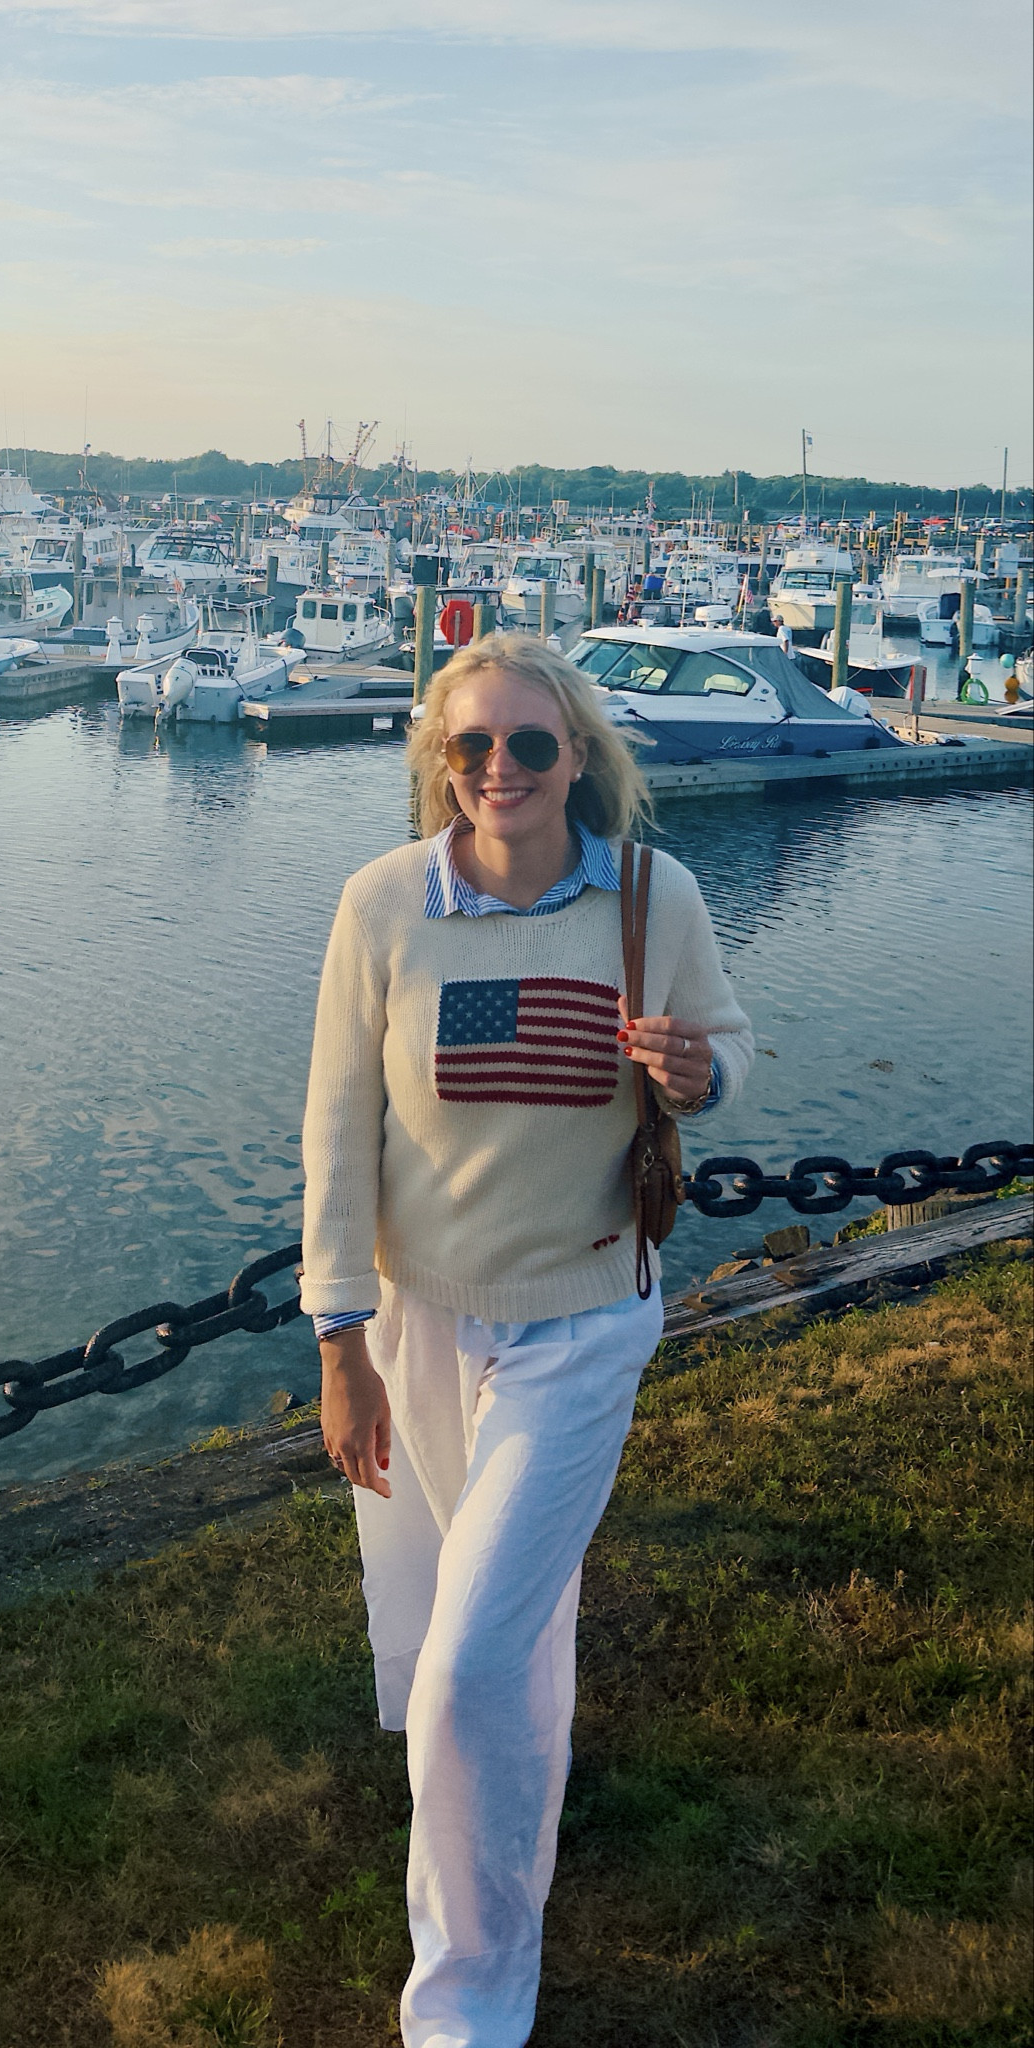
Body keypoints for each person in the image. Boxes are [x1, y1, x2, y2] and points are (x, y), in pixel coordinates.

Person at [300, 634, 752, 2047]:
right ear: (438, 761)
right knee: (493, 1620)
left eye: (530, 746)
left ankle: (465, 2003)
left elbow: (729, 1044)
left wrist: (700, 1067)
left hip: (582, 1317)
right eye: (470, 747)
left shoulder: (647, 895)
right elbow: (336, 1127)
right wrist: (340, 1336)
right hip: (425, 1316)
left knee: (469, 1666)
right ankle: (512, 1829)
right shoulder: (381, 905)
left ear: (579, 759)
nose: (499, 770)